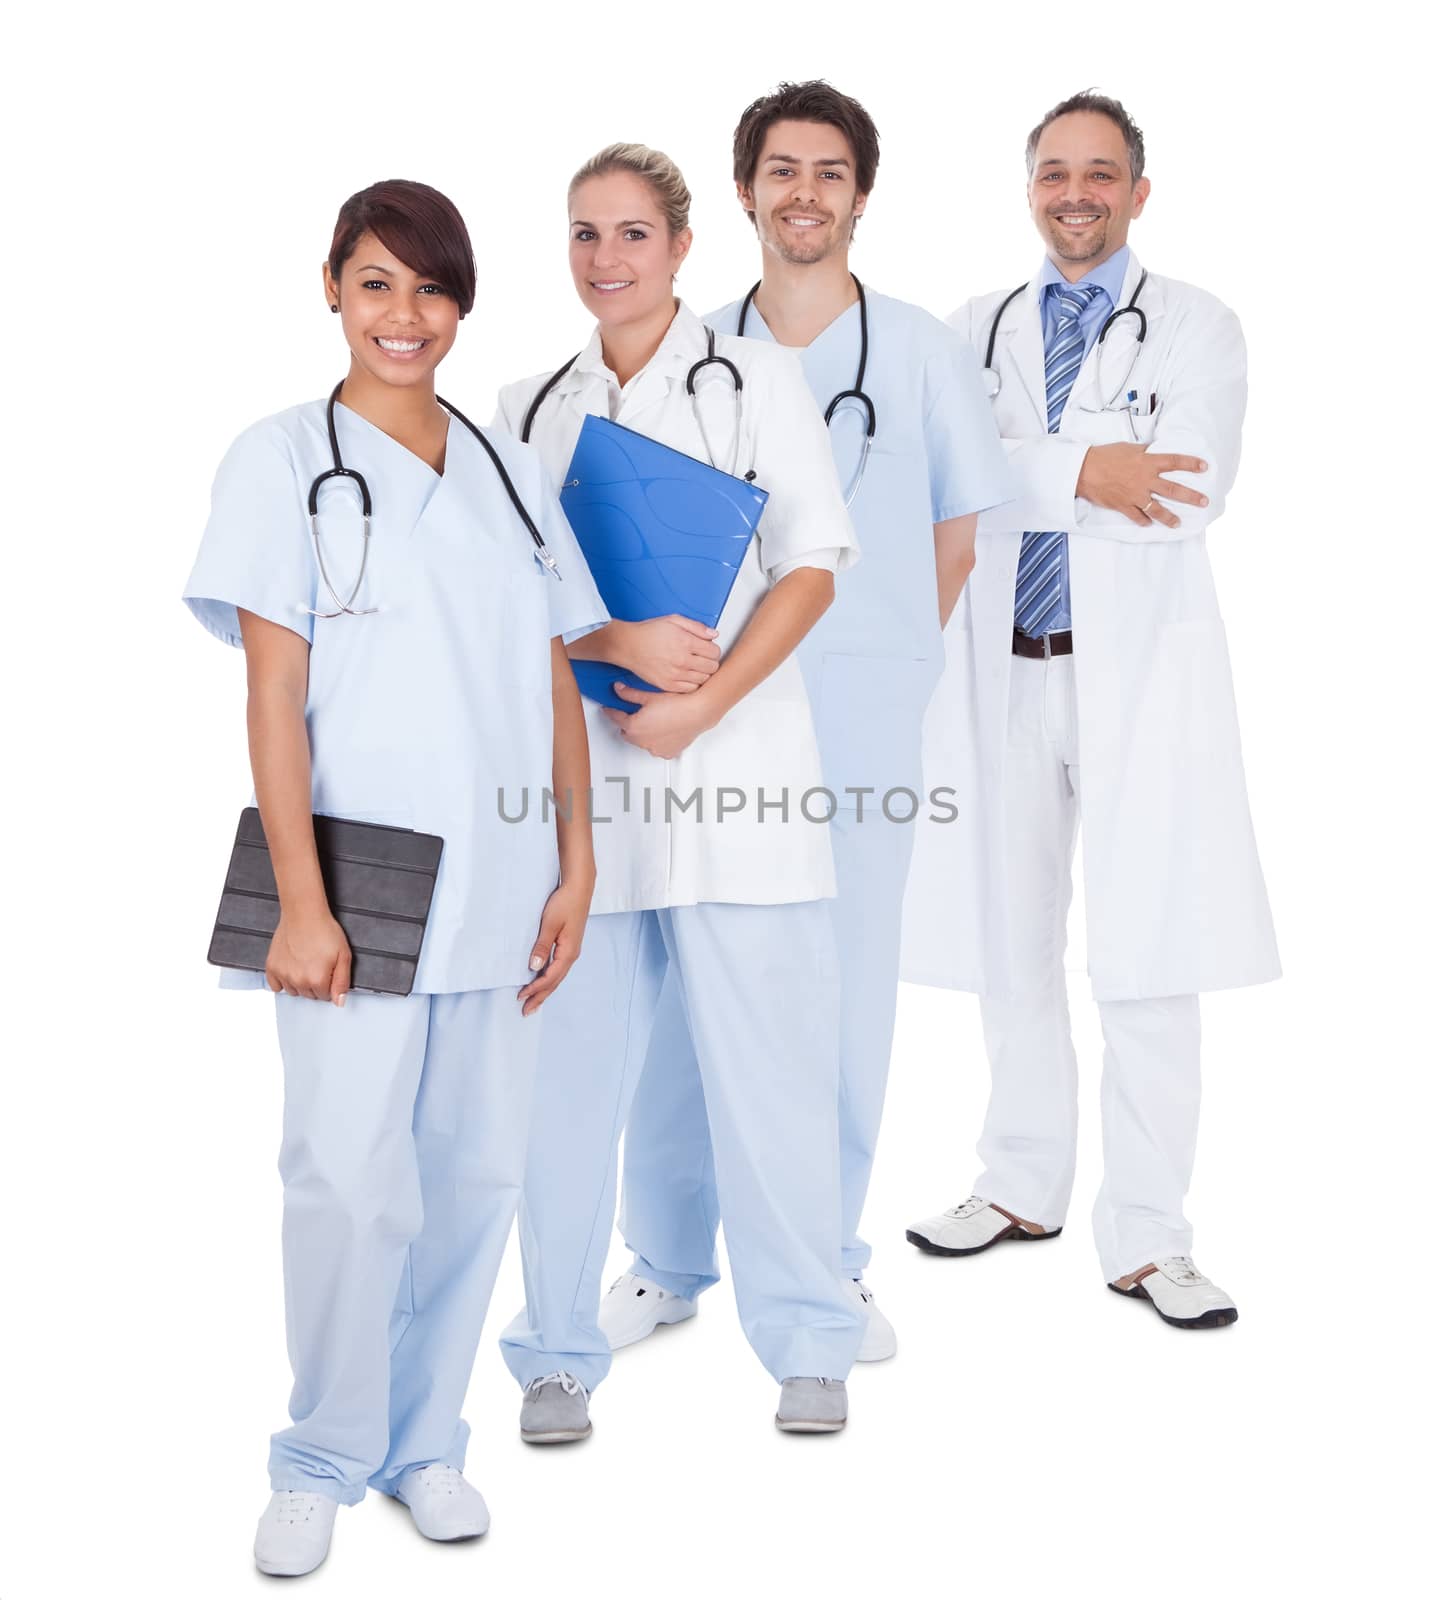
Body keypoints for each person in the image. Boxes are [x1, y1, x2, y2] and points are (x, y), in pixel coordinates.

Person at [183, 180, 605, 1577]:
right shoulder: (277, 458)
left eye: (427, 289)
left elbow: (553, 671)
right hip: (357, 887)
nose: (402, 315)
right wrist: (299, 903)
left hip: (499, 874)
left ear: (460, 306)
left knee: (473, 1174)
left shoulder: (500, 468)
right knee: (346, 1181)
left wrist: (576, 858)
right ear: (330, 290)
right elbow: (272, 693)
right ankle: (319, 1454)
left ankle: (426, 1446)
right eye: (375, 284)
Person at [605, 82, 1012, 1364]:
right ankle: (667, 1258)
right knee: (678, 978)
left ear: (859, 195)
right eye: (780, 169)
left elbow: (955, 526)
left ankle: (825, 1260)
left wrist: (885, 655)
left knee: (838, 995)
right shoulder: (688, 350)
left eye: (828, 173)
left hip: (860, 711)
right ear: (740, 192)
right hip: (705, 708)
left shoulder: (923, 354)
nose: (802, 192)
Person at [493, 142, 865, 1437]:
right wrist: (611, 649)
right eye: (585, 235)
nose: (607, 260)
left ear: (679, 247)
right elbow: (501, 610)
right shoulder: (525, 406)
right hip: (588, 797)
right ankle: (550, 1350)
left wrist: (702, 701)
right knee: (561, 1094)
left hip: (740, 783)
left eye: (632, 234)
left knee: (770, 1084)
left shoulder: (756, 378)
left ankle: (808, 1337)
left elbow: (812, 563)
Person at [902, 92, 1279, 1328]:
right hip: (1002, 666)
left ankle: (1149, 1234)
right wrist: (1085, 465)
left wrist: (1024, 466)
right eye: (1055, 172)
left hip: (1135, 680)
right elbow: (934, 482)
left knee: (1149, 947)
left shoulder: (1197, 325)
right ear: (1028, 191)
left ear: (1138, 191)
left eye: (1101, 173)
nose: (1077, 192)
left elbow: (1187, 487)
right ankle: (1019, 1184)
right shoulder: (975, 326)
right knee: (1008, 938)